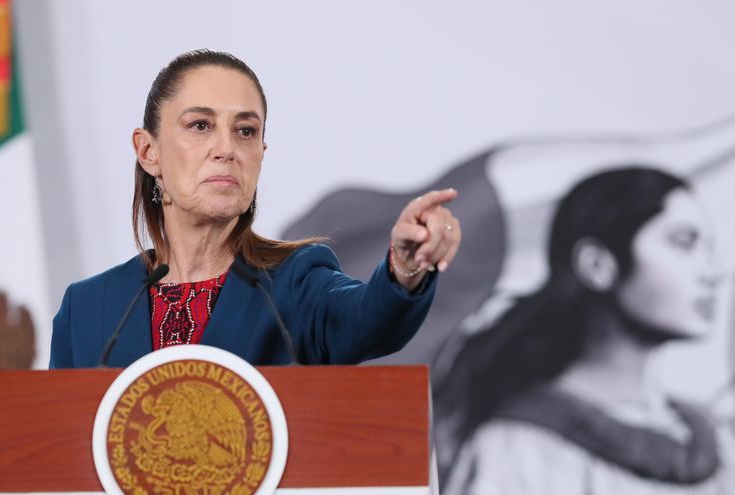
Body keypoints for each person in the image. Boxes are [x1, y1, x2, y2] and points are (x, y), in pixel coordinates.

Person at [50, 50, 462, 368]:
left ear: (260, 154)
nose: (226, 149)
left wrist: (406, 267)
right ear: (148, 152)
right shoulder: (86, 308)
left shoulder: (295, 282)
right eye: (200, 125)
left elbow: (369, 320)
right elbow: (57, 443)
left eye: (245, 131)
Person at [438, 167, 733, 494]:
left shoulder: (718, 441)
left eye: (709, 248)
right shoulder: (517, 446)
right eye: (684, 243)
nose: (714, 271)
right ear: (597, 265)